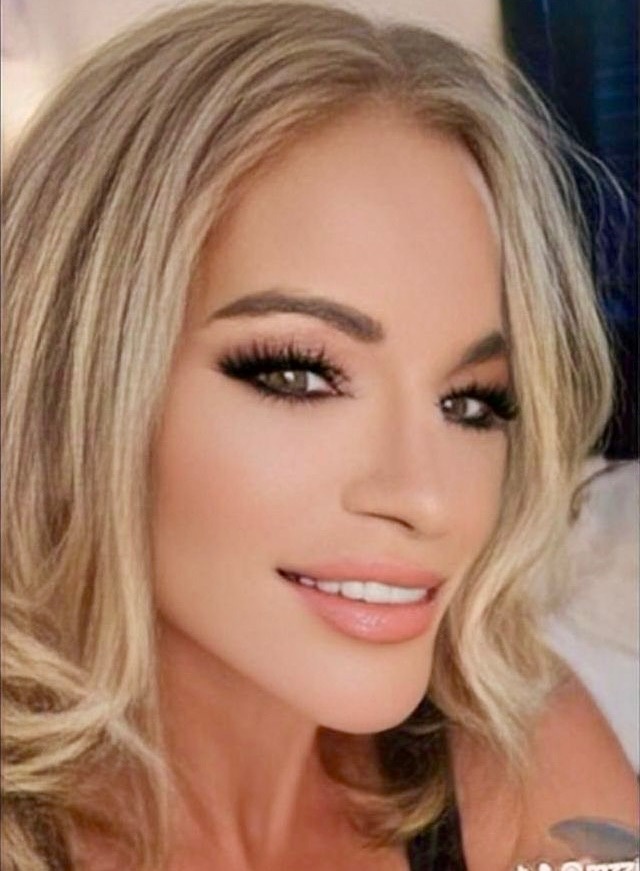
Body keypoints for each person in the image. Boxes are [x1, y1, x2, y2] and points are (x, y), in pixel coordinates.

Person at [2, 3, 638, 869]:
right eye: (299, 374)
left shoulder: (515, 748)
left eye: (472, 402)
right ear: (74, 377)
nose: (427, 498)